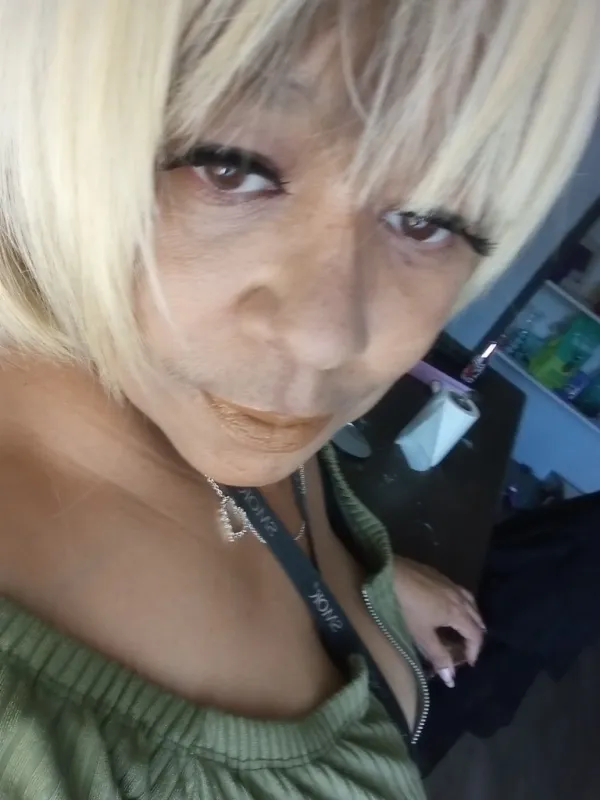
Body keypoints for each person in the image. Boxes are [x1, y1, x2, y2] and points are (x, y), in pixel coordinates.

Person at [0, 2, 598, 798]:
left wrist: (373, 586)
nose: (329, 337)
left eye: (428, 219)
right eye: (230, 166)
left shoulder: (217, 399)